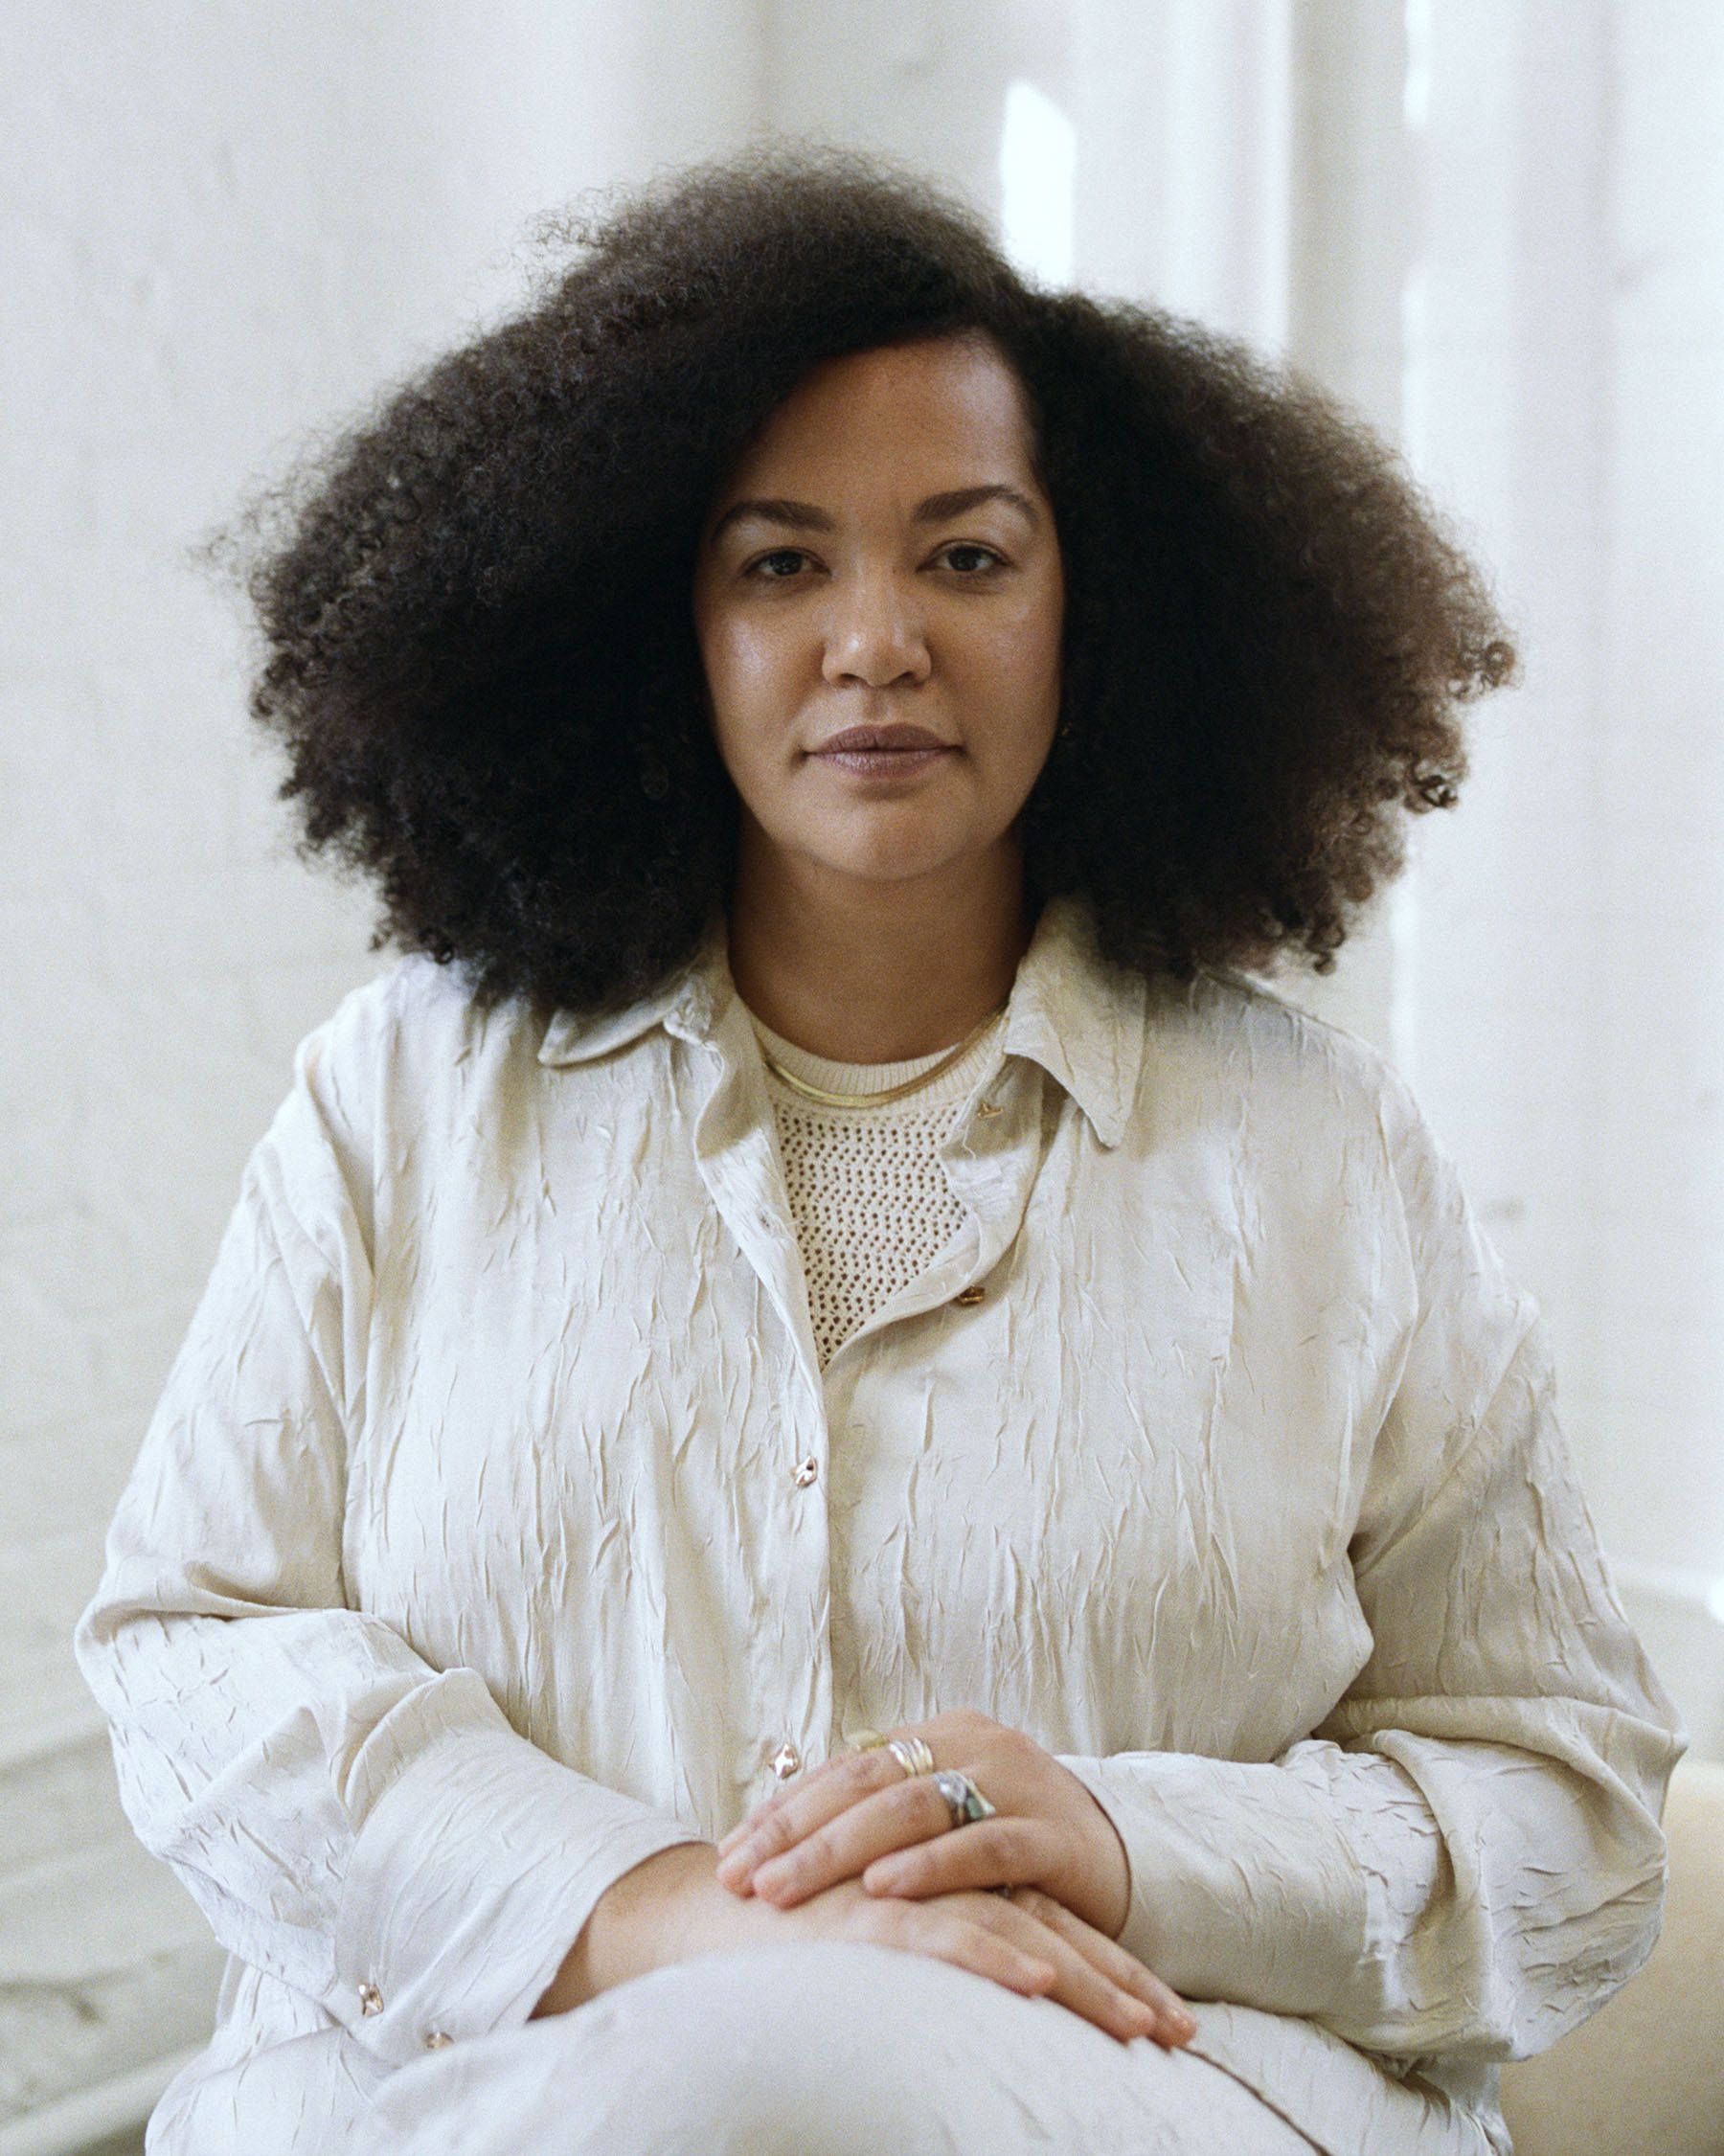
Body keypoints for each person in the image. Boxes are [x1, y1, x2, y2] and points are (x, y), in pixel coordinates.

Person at [77, 147, 1682, 2156]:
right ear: (657, 626)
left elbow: (1571, 1806)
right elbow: (195, 1653)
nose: (876, 640)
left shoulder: (1323, 1156)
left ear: (1101, 613)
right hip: (473, 2095)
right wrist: (659, 1917)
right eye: (780, 563)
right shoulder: (395, 1103)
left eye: (969, 555)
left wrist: (1124, 1841)